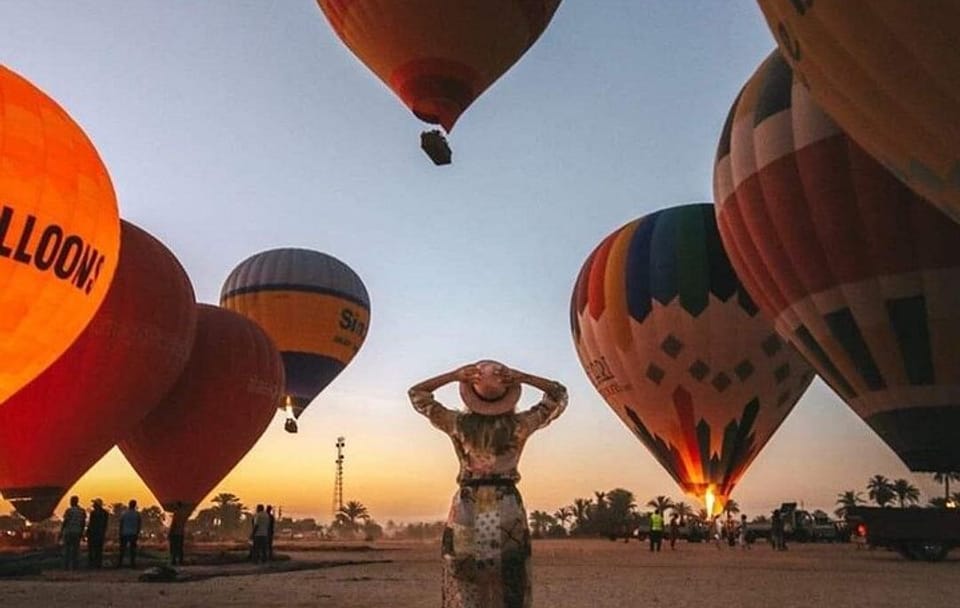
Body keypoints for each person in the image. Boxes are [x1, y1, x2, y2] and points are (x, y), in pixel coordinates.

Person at [409, 361, 567, 608]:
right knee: (510, 576)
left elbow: (418, 394)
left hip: (468, 506)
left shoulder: (458, 424)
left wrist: (454, 376)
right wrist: (522, 376)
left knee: (466, 575)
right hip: (506, 506)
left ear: (471, 395)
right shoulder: (520, 425)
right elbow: (558, 394)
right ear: (509, 396)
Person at [59, 495, 86, 570]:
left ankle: (66, 566)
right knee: (76, 550)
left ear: (72, 502)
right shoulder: (82, 511)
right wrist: (82, 532)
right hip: (77, 532)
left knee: (67, 550)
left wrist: (61, 532)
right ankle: (75, 566)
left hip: (69, 532)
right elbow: (83, 523)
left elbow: (65, 521)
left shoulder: (69, 511)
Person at [116, 499, 142, 568]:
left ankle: (120, 563)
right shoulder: (137, 514)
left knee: (122, 549)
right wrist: (137, 532)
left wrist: (120, 532)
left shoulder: (124, 514)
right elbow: (139, 524)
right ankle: (132, 564)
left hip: (125, 533)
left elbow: (121, 523)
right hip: (133, 533)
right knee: (132, 550)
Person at [86, 498, 109, 568]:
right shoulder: (105, 513)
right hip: (99, 534)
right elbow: (105, 524)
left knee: (92, 550)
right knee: (98, 550)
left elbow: (91, 524)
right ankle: (97, 564)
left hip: (94, 533)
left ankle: (92, 564)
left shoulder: (93, 513)